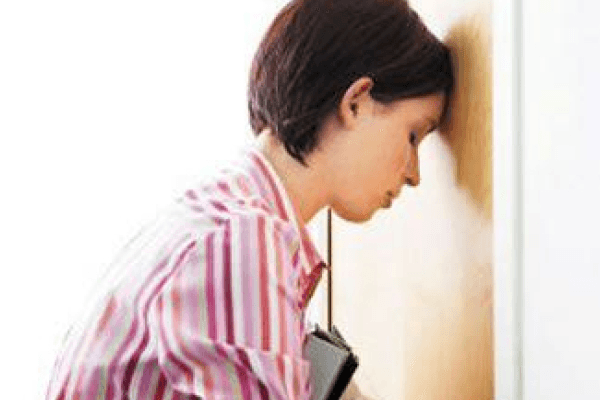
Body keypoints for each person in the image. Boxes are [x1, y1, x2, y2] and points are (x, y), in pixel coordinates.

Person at [46, 0, 453, 399]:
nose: (414, 174)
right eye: (413, 135)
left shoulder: (223, 222)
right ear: (356, 102)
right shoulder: (240, 240)